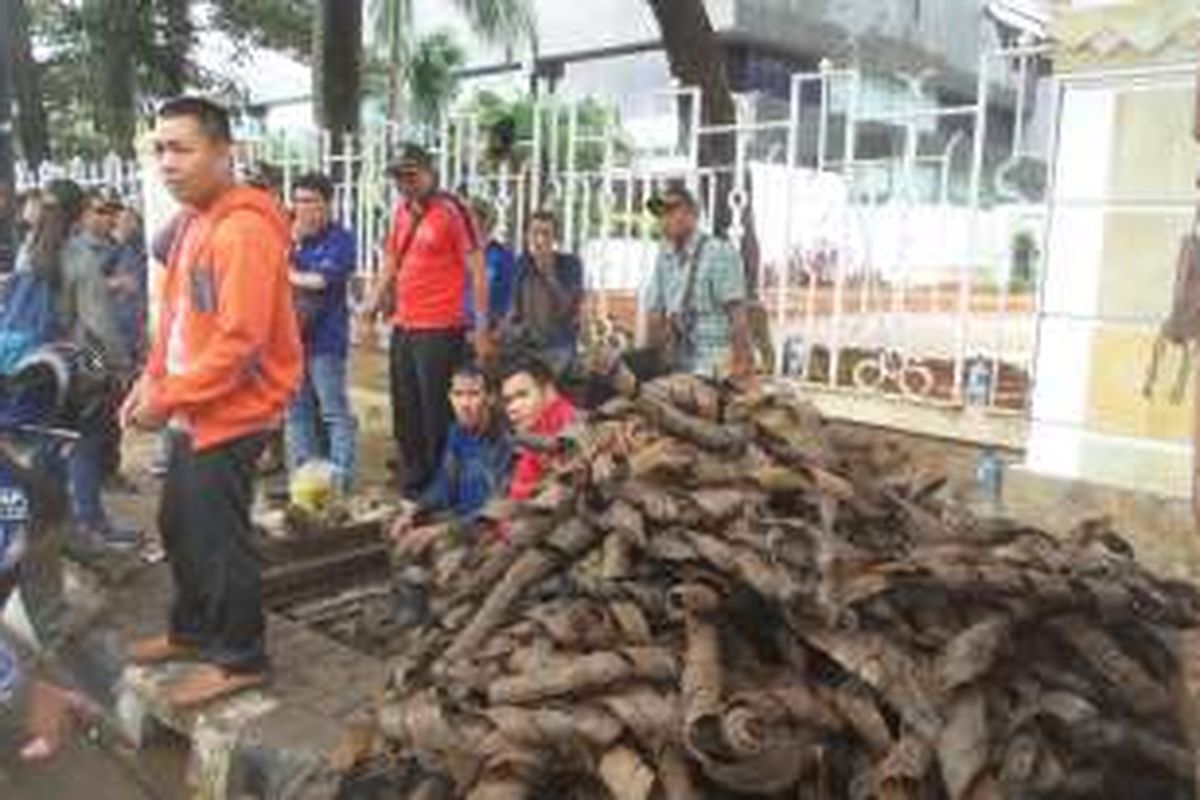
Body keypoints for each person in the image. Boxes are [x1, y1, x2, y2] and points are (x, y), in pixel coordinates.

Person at [120, 96, 302, 708]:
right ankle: (192, 629)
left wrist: (167, 397)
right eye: (160, 148)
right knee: (178, 524)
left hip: (232, 413)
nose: (166, 162)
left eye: (181, 148)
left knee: (219, 538)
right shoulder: (197, 222)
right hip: (192, 407)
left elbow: (241, 344)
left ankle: (241, 657)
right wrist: (149, 380)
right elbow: (175, 320)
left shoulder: (244, 230)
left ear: (224, 153)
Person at [364, 144, 494, 500]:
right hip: (405, 326)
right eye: (397, 177)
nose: (403, 183)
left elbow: (478, 271)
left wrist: (482, 329)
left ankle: (442, 486)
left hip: (440, 328)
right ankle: (415, 483)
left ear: (429, 172)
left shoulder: (453, 211)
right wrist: (370, 307)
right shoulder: (401, 213)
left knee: (436, 411)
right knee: (405, 410)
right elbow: (390, 264)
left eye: (410, 174)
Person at [59, 187, 138, 550]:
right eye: (97, 210)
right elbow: (98, 324)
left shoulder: (34, 250)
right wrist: (121, 366)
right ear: (79, 216)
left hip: (46, 361)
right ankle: (90, 524)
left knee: (62, 443)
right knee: (86, 440)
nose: (105, 217)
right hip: (85, 358)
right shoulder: (79, 257)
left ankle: (70, 523)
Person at [284, 172, 358, 492]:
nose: (303, 208)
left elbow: (321, 281)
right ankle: (307, 485)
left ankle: (338, 483)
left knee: (334, 414)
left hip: (326, 343)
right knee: (297, 415)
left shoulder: (340, 239)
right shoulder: (289, 238)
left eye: (311, 201)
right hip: (290, 342)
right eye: (298, 201)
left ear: (328, 204)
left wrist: (285, 271)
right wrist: (290, 247)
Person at [643, 183, 753, 379]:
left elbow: (738, 316)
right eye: (660, 213)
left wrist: (741, 365)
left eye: (671, 210)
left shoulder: (718, 252)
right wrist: (649, 363)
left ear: (693, 214)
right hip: (680, 363)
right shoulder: (664, 256)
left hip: (714, 365)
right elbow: (655, 313)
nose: (664, 219)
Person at [505, 210, 584, 375]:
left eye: (546, 234)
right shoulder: (522, 263)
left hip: (558, 346)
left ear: (555, 238)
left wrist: (549, 274)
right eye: (535, 233)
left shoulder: (570, 264)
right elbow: (514, 311)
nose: (540, 239)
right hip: (526, 344)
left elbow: (569, 310)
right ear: (527, 236)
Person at [502, 355, 577, 502]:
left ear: (549, 391)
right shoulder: (534, 433)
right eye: (508, 401)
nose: (513, 408)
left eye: (522, 395)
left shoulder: (571, 430)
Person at [466, 198, 515, 324]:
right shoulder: (455, 256)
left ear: (486, 222)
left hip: (488, 330)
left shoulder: (502, 256)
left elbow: (509, 299)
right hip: (457, 330)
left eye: (472, 218)